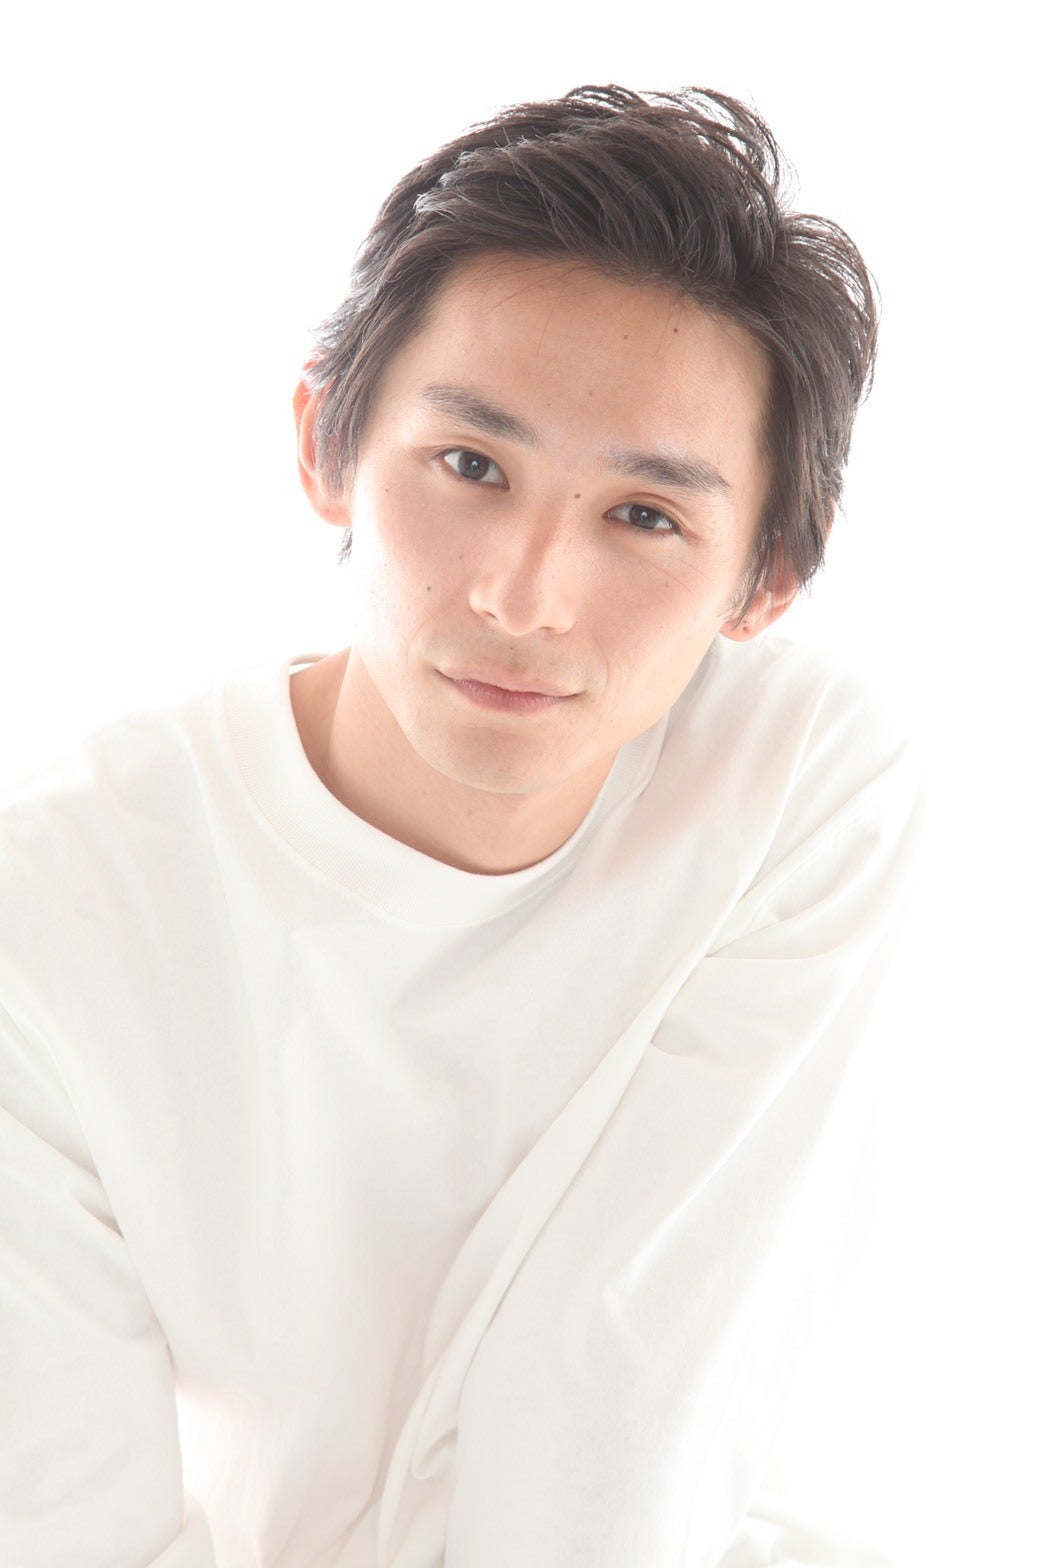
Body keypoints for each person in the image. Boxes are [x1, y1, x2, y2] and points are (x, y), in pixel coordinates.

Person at [0, 86, 920, 1567]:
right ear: (326, 444)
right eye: (473, 467)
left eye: (645, 517)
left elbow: (628, 1378)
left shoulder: (791, 778)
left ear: (766, 582)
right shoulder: (53, 910)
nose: (524, 596)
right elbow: (67, 1525)